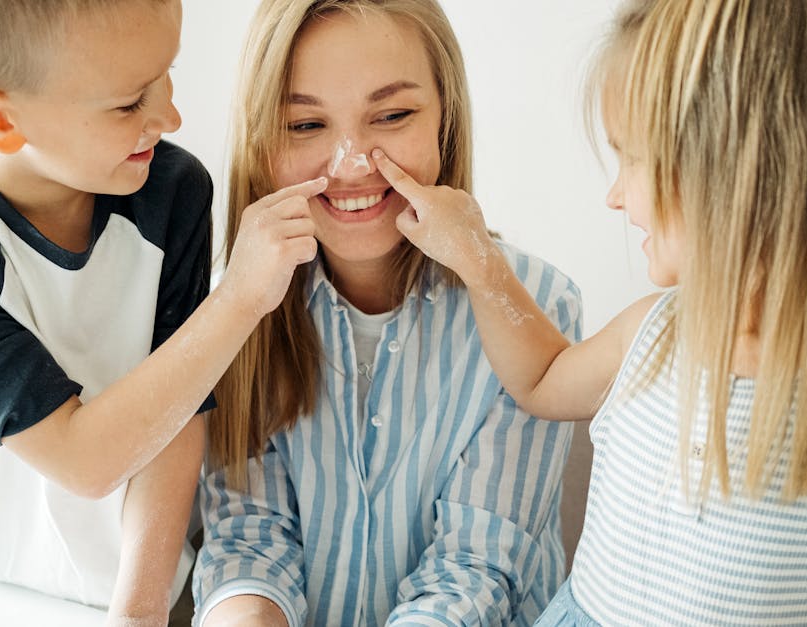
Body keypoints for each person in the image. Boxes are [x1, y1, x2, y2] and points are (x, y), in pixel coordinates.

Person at [380, 0, 807, 624]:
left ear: (746, 168)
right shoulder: (656, 331)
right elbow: (541, 379)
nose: (615, 194)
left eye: (632, 157)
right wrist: (478, 260)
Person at [0, 0, 323, 622]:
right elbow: (83, 460)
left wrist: (138, 609)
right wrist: (240, 295)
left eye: (166, 74)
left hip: (149, 590)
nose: (170, 115)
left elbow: (181, 409)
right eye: (129, 102)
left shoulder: (171, 192)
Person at [192, 1, 582, 625]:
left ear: (445, 121)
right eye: (304, 125)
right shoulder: (231, 310)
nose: (350, 164)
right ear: (261, 139)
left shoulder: (540, 306)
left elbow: (475, 573)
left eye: (393, 115)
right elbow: (249, 543)